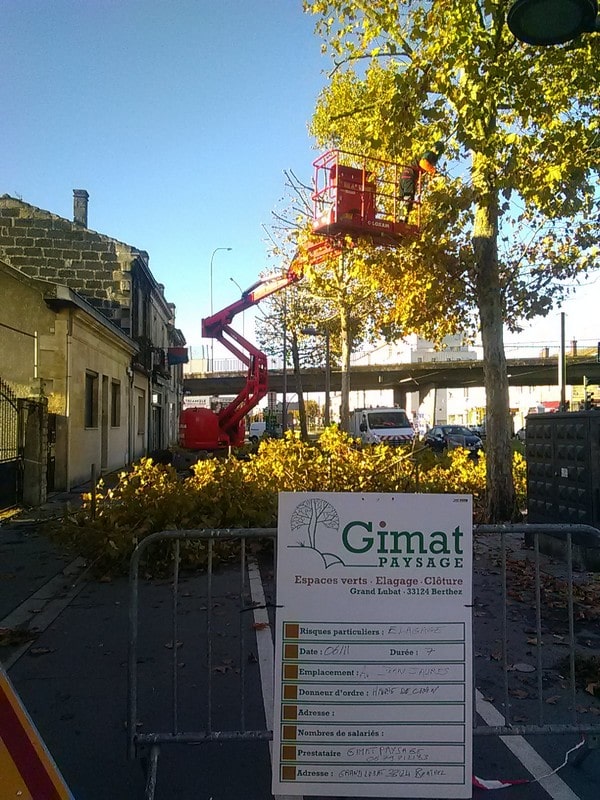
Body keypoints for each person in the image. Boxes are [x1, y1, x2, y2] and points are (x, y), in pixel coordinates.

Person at [399, 141, 444, 223]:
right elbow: (423, 163)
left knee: (403, 200)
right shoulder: (430, 154)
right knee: (408, 199)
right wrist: (434, 171)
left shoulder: (426, 154)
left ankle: (400, 219)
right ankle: (402, 221)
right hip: (409, 175)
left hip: (404, 175)